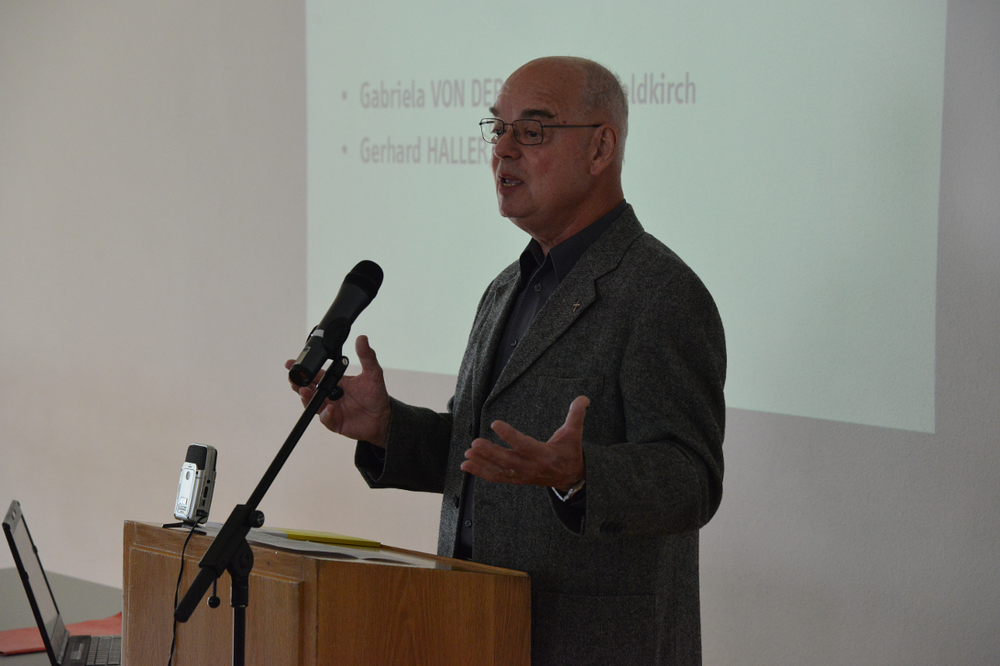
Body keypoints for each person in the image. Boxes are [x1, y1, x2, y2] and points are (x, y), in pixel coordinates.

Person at [288, 56, 726, 665]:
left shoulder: (660, 291)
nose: (503, 150)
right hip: (475, 628)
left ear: (601, 149)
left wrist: (582, 475)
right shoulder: (504, 289)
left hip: (591, 643)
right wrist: (389, 428)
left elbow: (692, 478)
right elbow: (481, 456)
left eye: (533, 130)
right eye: (498, 128)